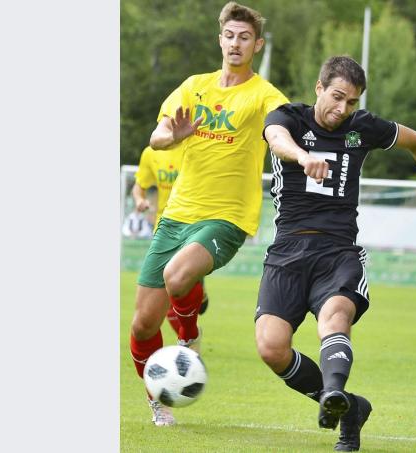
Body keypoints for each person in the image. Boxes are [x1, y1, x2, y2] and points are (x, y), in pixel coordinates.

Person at [254, 56, 416, 452]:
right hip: (287, 250)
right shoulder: (289, 118)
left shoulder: (361, 128)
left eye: (351, 102)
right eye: (337, 97)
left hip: (338, 252)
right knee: (271, 346)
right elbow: (276, 140)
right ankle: (349, 409)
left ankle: (333, 392)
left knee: (335, 317)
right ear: (319, 88)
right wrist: (303, 156)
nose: (342, 109)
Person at [128, 1, 289, 427]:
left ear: (257, 44)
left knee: (178, 276)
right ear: (220, 39)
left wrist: (291, 146)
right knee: (143, 324)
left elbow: (281, 127)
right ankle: (158, 401)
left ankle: (189, 335)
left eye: (245, 37)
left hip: (227, 217)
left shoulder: (264, 95)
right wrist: (170, 137)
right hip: (176, 215)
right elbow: (158, 133)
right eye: (230, 35)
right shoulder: (193, 86)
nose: (236, 43)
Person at [132, 144, 210, 336]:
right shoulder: (151, 152)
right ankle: (188, 342)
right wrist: (139, 200)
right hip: (164, 229)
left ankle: (198, 293)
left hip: (195, 226)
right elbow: (138, 186)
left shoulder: (197, 145)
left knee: (179, 287)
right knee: (168, 293)